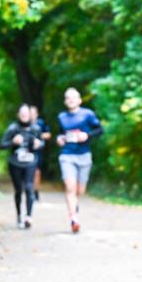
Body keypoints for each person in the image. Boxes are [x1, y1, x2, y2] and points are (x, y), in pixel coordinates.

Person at [56, 87, 103, 233]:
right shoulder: (61, 117)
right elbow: (60, 134)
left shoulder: (88, 114)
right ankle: (73, 219)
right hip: (67, 155)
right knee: (70, 188)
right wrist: (59, 139)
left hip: (84, 155)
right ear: (65, 101)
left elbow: (100, 130)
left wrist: (87, 135)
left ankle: (74, 208)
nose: (71, 100)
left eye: (73, 97)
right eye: (68, 97)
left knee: (80, 191)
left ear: (79, 100)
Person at [1, 104, 45, 229]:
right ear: (18, 115)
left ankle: (29, 217)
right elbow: (2, 144)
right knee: (18, 190)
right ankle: (19, 216)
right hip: (15, 163)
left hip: (30, 162)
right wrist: (13, 142)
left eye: (26, 114)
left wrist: (38, 144)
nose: (24, 116)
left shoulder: (35, 128)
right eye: (22, 114)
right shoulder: (13, 128)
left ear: (30, 115)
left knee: (29, 187)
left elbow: (42, 143)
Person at [29, 105, 52, 200]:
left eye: (33, 113)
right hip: (27, 151)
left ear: (37, 114)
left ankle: (35, 191)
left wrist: (39, 135)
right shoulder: (25, 124)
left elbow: (49, 135)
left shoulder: (41, 123)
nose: (31, 115)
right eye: (30, 113)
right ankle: (29, 190)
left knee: (37, 172)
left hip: (38, 151)